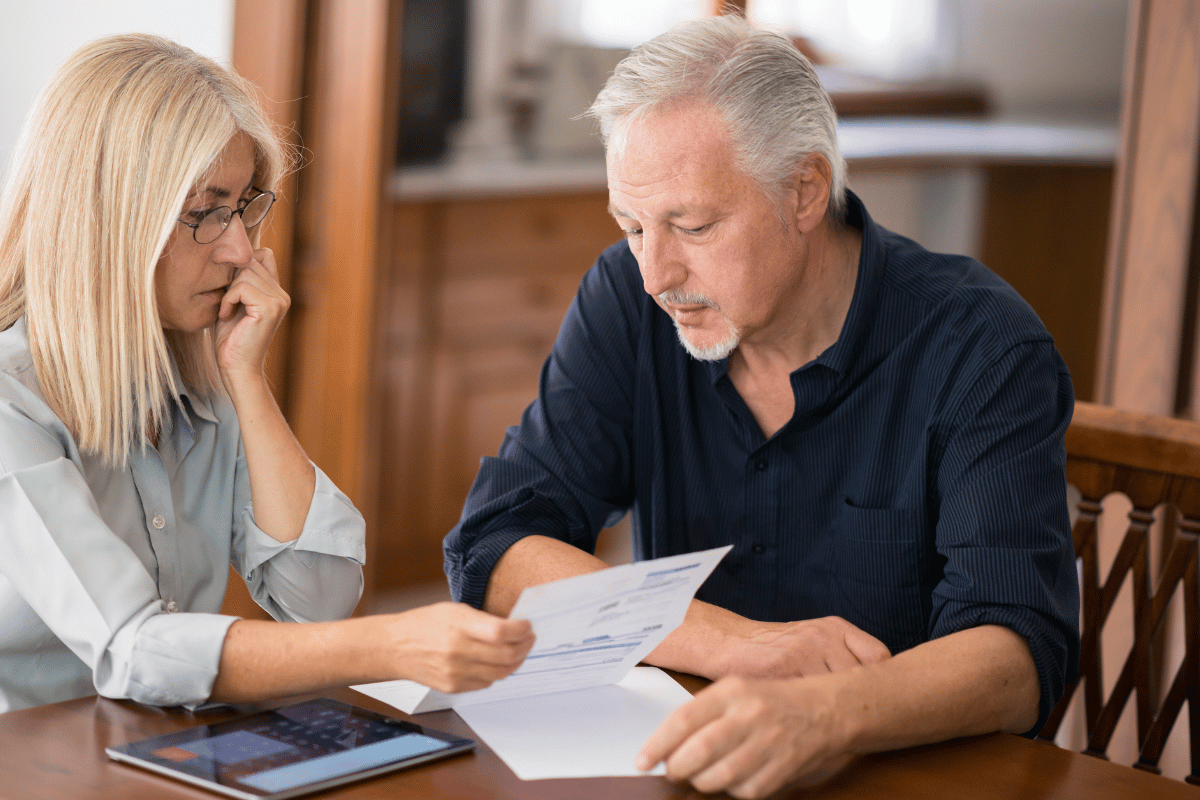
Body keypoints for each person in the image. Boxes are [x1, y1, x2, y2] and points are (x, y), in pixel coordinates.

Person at [443, 15, 1079, 798]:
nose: (655, 272)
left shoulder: (981, 346)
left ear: (805, 190)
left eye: (694, 224)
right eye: (632, 225)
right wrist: (739, 647)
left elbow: (1017, 655)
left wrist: (826, 712)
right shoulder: (628, 301)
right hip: (694, 768)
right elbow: (496, 544)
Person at [0, 34, 533, 715]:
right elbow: (131, 649)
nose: (241, 249)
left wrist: (246, 381)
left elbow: (318, 601)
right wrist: (389, 645)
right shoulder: (10, 403)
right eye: (205, 213)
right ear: (112, 217)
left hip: (143, 753)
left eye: (244, 206)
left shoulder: (194, 376)